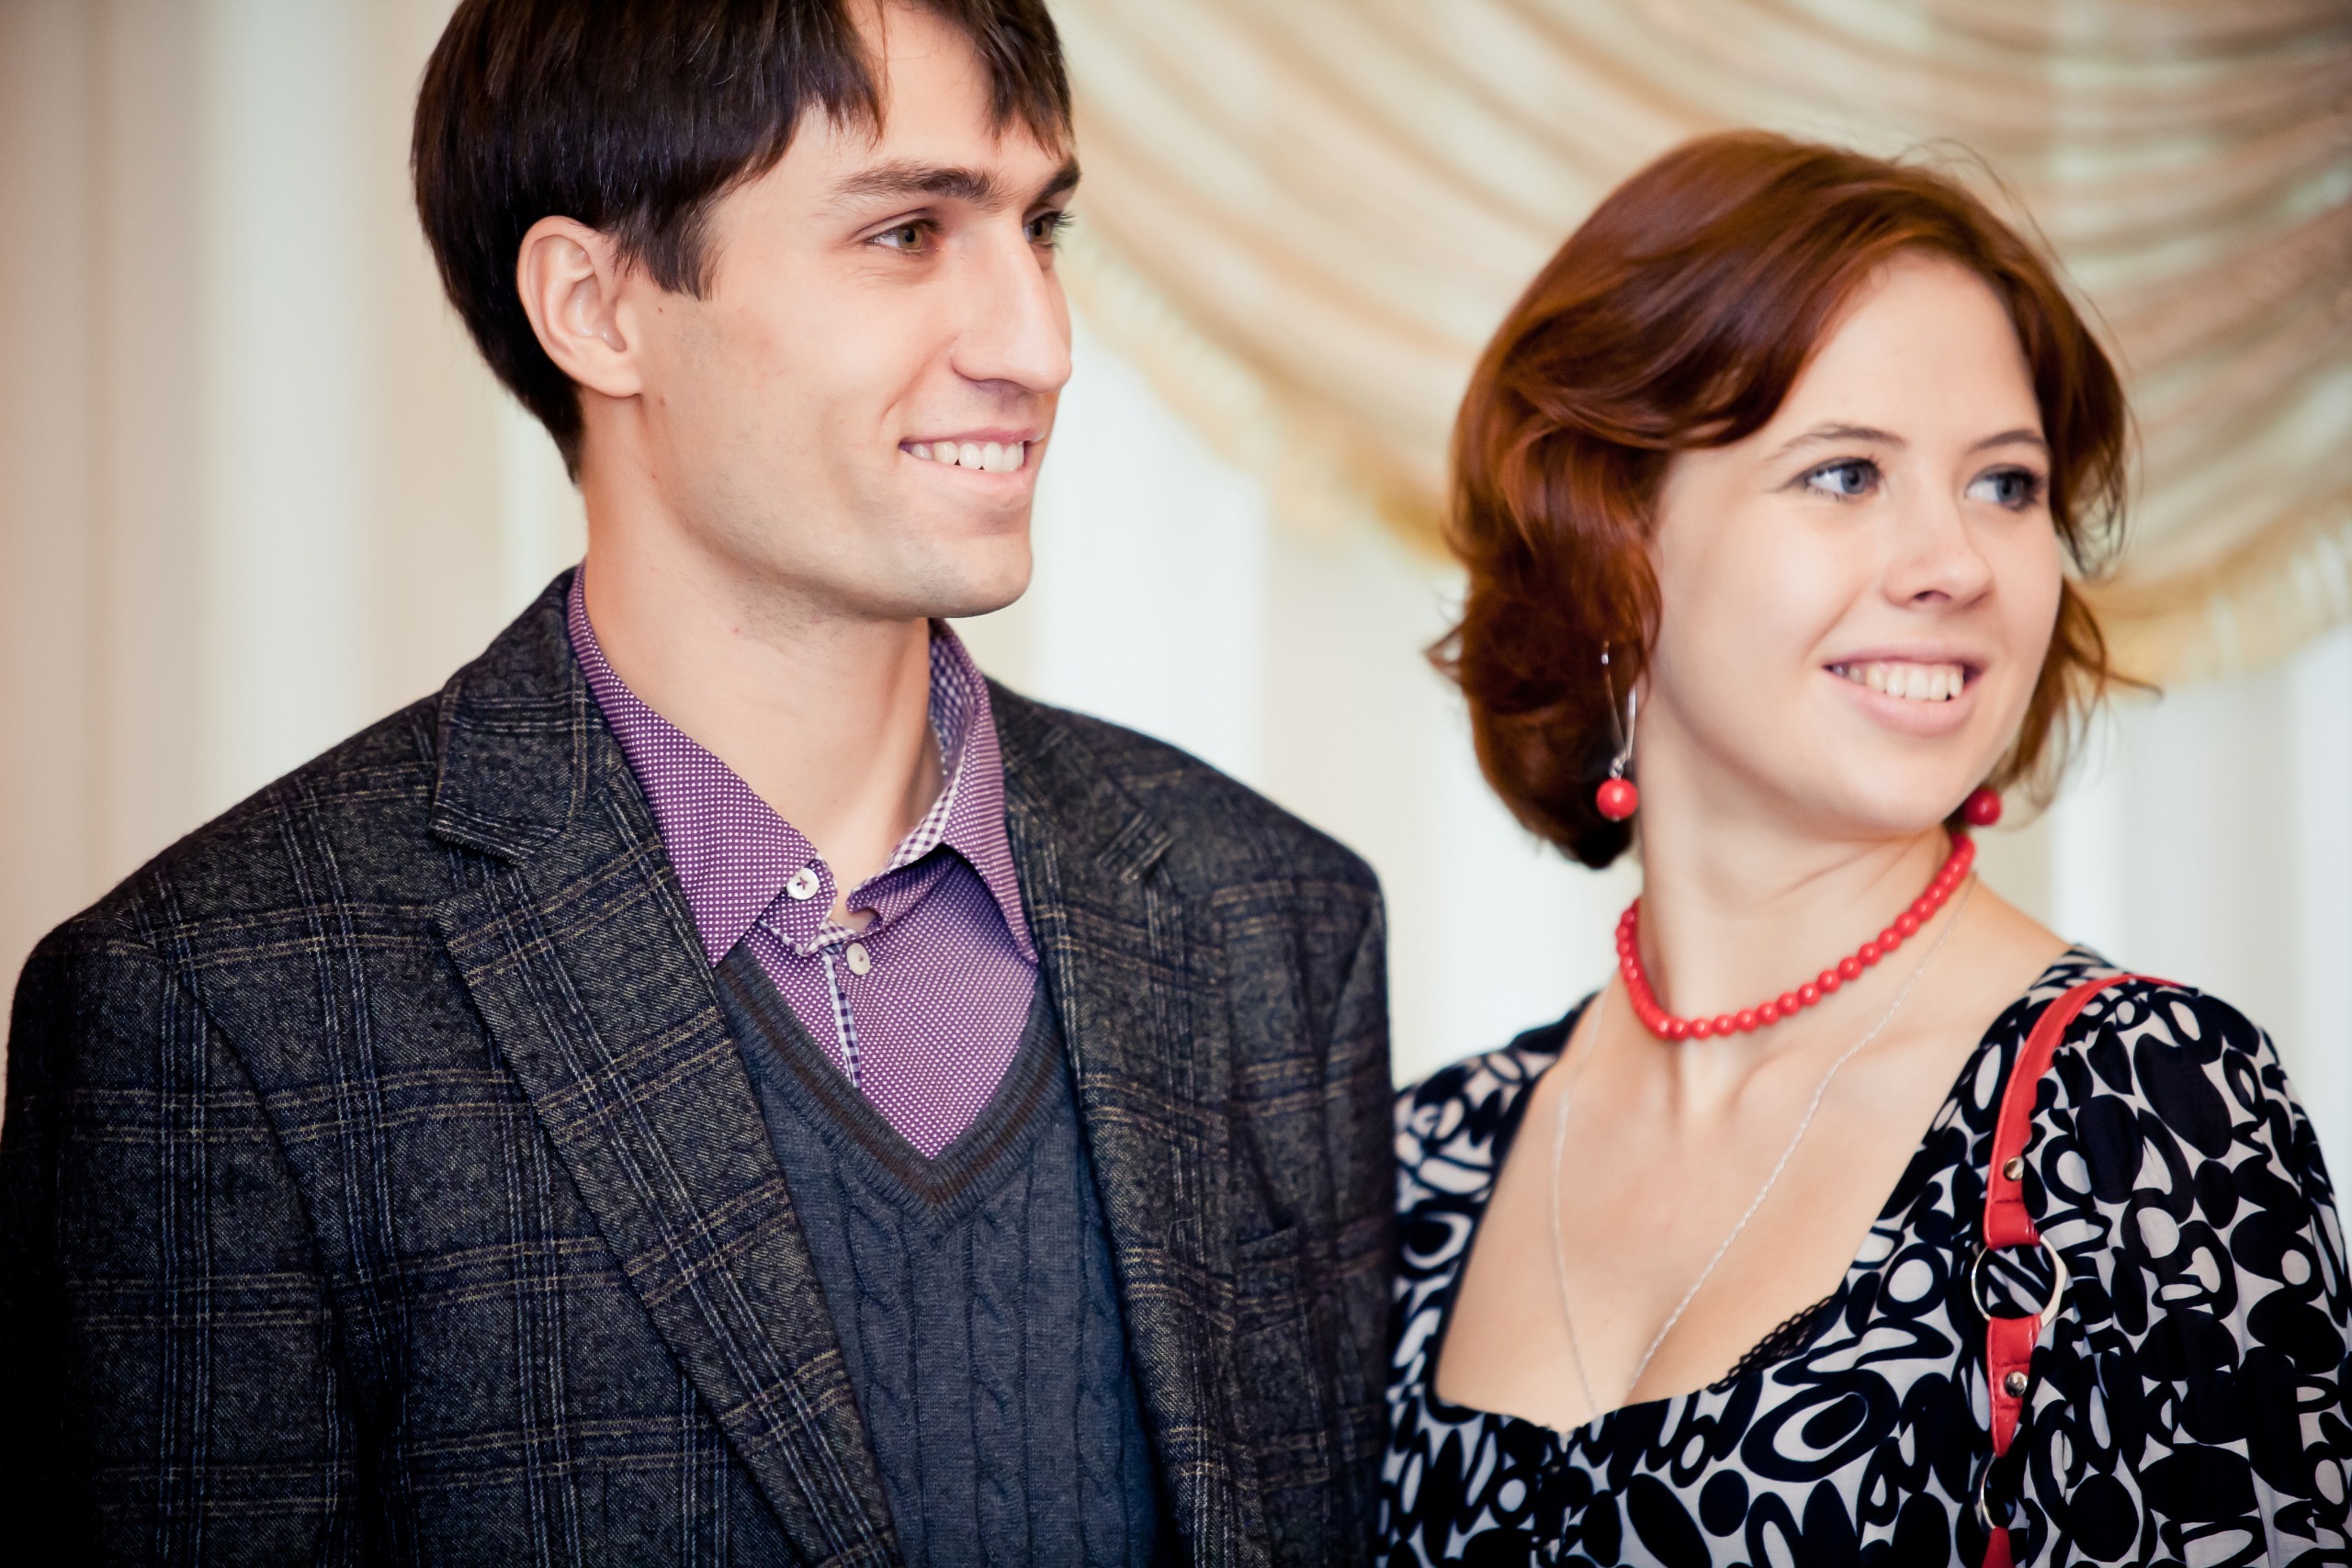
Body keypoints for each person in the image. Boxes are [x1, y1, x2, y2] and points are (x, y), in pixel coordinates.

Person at [0, 1, 1395, 1560]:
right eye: (908, 233)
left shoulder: (1274, 921)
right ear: (597, 306)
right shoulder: (216, 1009)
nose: (1040, 344)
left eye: (1040, 226)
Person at [1382, 133, 2351, 1566]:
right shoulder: (1420, 1163)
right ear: (1610, 542)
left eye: (2006, 485)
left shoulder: (2145, 1109)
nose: (1955, 564)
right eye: (1845, 474)